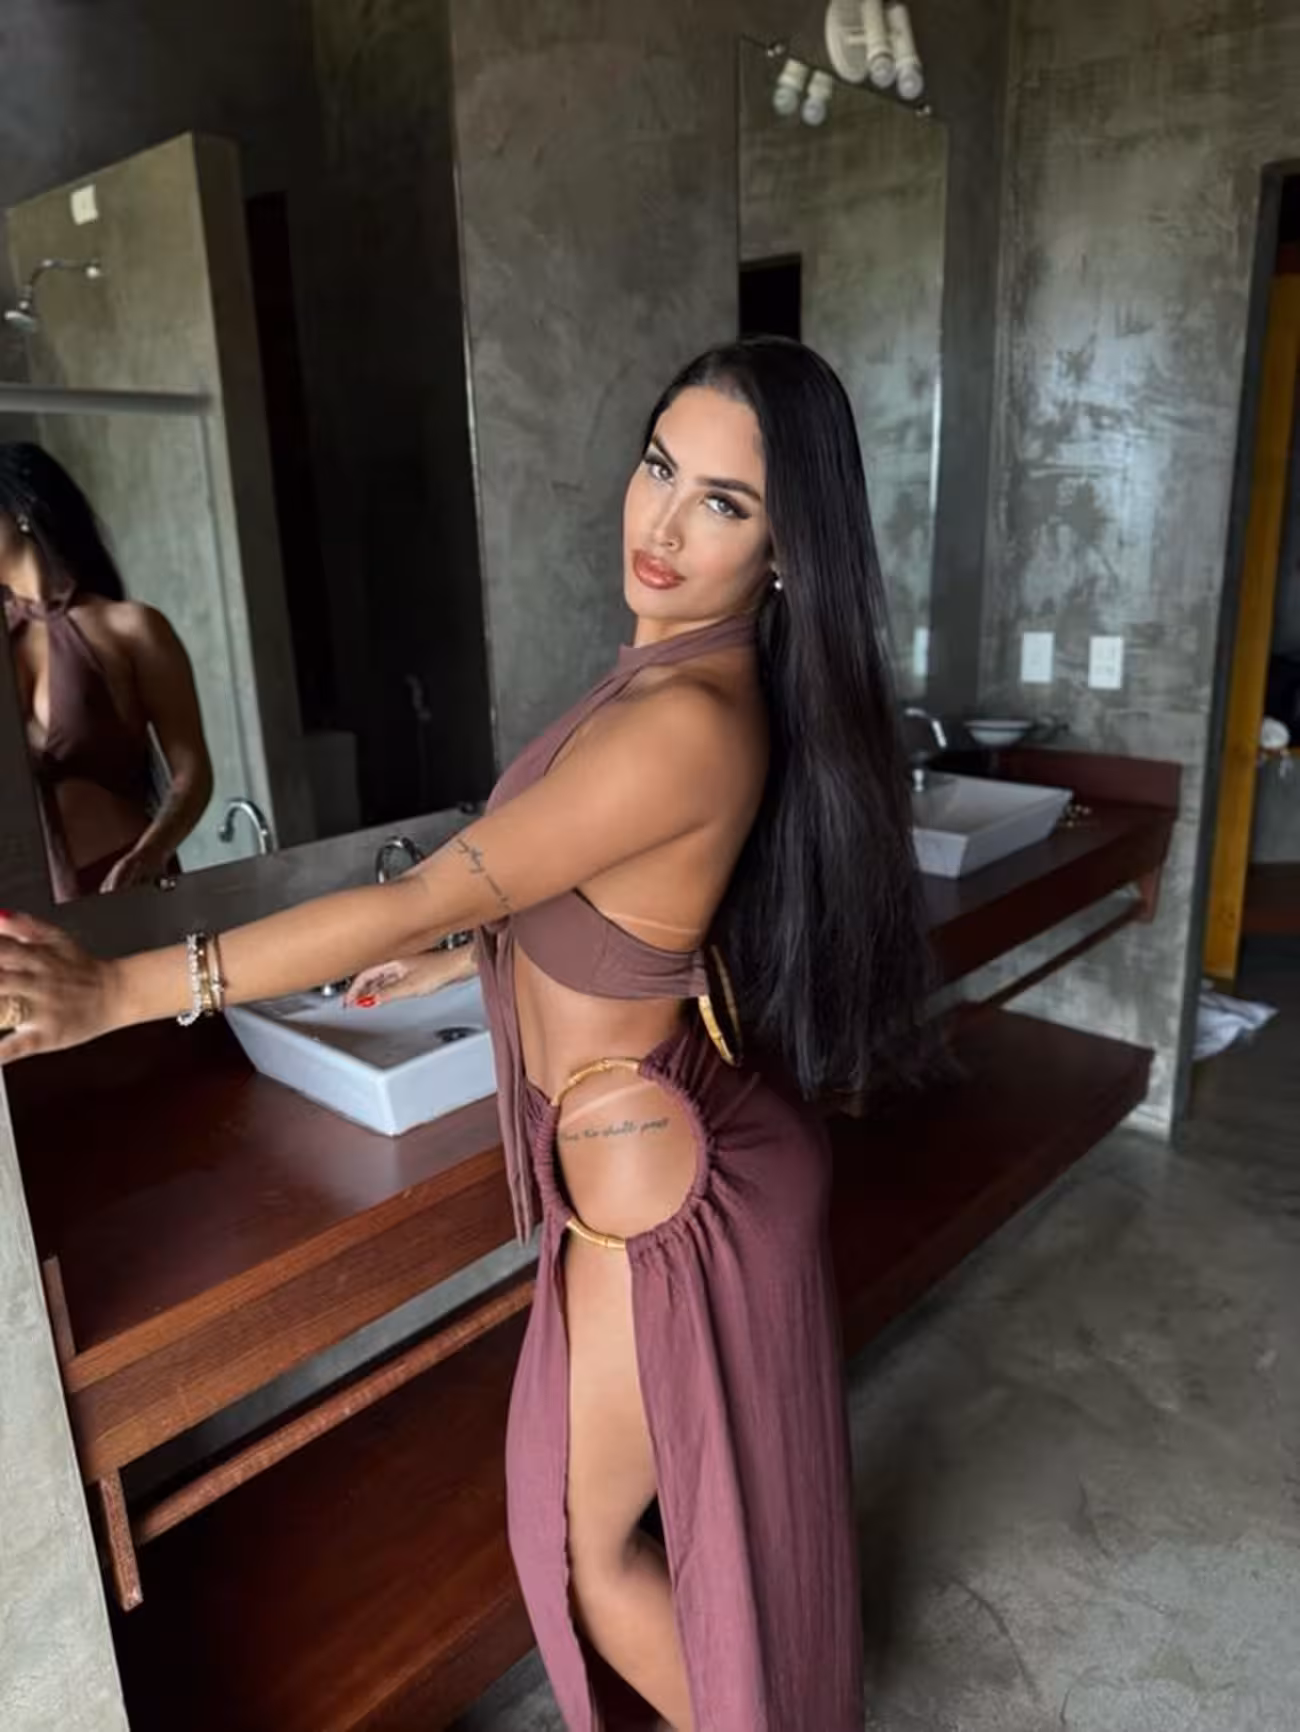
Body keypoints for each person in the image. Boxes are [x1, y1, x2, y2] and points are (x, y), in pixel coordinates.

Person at [0, 338, 934, 1729]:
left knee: (583, 1548)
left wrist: (119, 992)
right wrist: (468, 955)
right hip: (654, 1148)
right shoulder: (660, 677)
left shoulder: (686, 718)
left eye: (723, 502)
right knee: (620, 1530)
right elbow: (602, 898)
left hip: (657, 1192)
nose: (663, 522)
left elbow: (428, 885)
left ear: (788, 547)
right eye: (659, 466)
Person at [0, 442, 213, 899]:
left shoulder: (131, 628)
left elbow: (192, 771)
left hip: (123, 879)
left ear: (20, 512)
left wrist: (152, 851)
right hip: (26, 901)